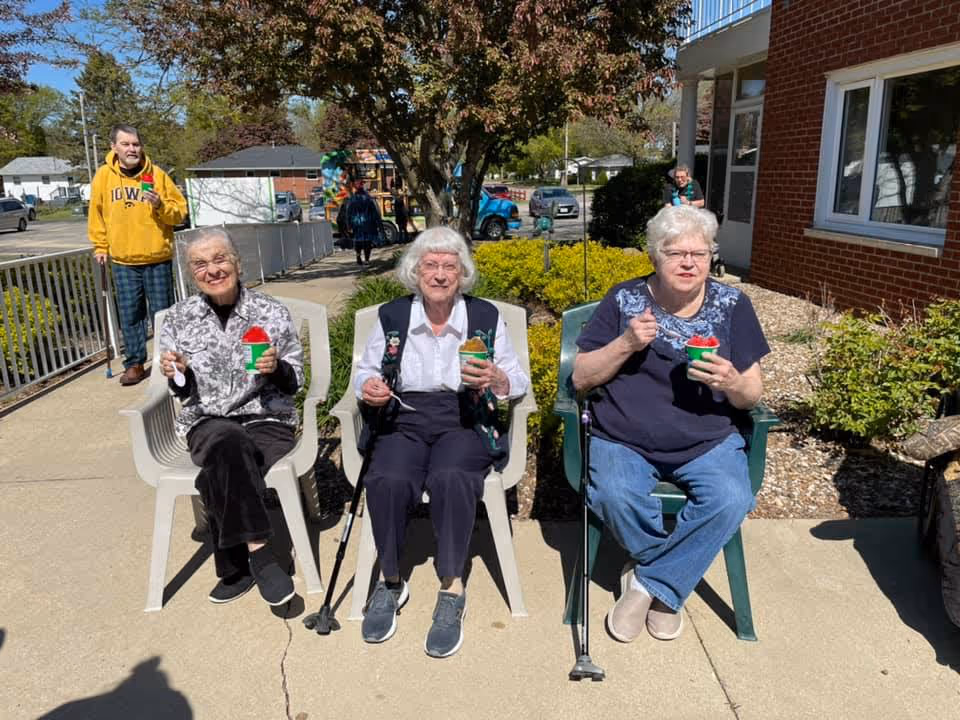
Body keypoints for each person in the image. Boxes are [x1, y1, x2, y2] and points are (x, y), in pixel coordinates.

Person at [572, 204, 768, 643]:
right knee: (616, 494)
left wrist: (732, 380)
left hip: (707, 440)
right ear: (654, 255)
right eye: (675, 252)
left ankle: (648, 584)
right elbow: (582, 376)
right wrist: (624, 343)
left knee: (731, 497)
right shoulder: (625, 299)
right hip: (623, 437)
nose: (687, 262)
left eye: (698, 253)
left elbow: (753, 393)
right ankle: (670, 576)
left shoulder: (734, 305)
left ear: (711, 257)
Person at [353, 227, 530, 658]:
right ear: (415, 272)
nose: (439, 274)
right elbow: (364, 371)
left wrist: (497, 378)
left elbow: (518, 379)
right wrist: (370, 388)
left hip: (464, 417)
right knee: (388, 477)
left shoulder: (484, 317)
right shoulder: (394, 316)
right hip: (404, 415)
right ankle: (390, 581)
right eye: (430, 265)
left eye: (449, 266)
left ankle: (452, 586)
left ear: (462, 273)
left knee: (452, 475)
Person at [158, 227, 304, 607]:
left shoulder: (270, 313)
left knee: (221, 463)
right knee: (226, 440)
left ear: (237, 263)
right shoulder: (178, 318)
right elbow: (181, 390)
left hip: (267, 418)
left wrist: (275, 369)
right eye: (200, 264)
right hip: (206, 420)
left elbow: (296, 382)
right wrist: (177, 372)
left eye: (220, 259)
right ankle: (260, 551)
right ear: (191, 273)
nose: (212, 270)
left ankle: (234, 565)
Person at [89, 124, 187, 386]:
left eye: (135, 144)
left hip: (156, 258)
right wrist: (100, 246)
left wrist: (160, 205)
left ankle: (169, 362)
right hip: (123, 260)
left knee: (163, 314)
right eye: (125, 144)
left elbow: (179, 212)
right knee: (130, 315)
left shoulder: (157, 175)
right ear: (114, 148)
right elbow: (96, 215)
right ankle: (134, 363)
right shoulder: (103, 177)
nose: (131, 149)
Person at [345, 180, 382, 265]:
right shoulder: (368, 198)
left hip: (356, 224)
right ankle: (367, 259)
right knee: (367, 242)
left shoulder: (352, 199)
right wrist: (378, 224)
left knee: (358, 241)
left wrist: (348, 225)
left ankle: (358, 256)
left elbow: (348, 213)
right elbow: (374, 212)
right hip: (368, 223)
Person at [390, 178, 414, 244]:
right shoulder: (399, 200)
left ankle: (402, 241)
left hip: (399, 217)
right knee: (403, 229)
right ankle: (404, 240)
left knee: (402, 229)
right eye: (400, 190)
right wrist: (405, 190)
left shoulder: (396, 200)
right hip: (401, 217)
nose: (400, 191)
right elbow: (402, 195)